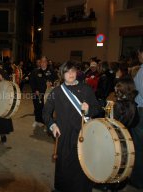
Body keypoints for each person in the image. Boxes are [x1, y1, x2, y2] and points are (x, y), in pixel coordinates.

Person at [43, 61, 101, 192]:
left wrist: (89, 109)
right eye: (67, 71)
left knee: (82, 167)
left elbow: (97, 108)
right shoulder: (56, 92)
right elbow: (45, 113)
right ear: (62, 74)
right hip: (64, 135)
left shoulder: (86, 89)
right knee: (64, 167)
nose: (71, 74)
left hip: (83, 135)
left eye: (73, 71)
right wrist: (52, 125)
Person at [30, 56, 57, 128]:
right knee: (37, 107)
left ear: (47, 63)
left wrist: (51, 83)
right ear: (40, 62)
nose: (43, 63)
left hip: (48, 94)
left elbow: (56, 80)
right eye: (42, 61)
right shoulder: (35, 71)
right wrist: (35, 90)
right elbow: (32, 82)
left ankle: (48, 123)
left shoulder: (52, 71)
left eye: (45, 61)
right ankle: (37, 120)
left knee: (48, 109)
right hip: (37, 93)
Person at [130, 46, 143, 189]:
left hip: (142, 111)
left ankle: (138, 180)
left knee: (138, 147)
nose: (138, 56)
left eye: (139, 53)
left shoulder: (142, 71)